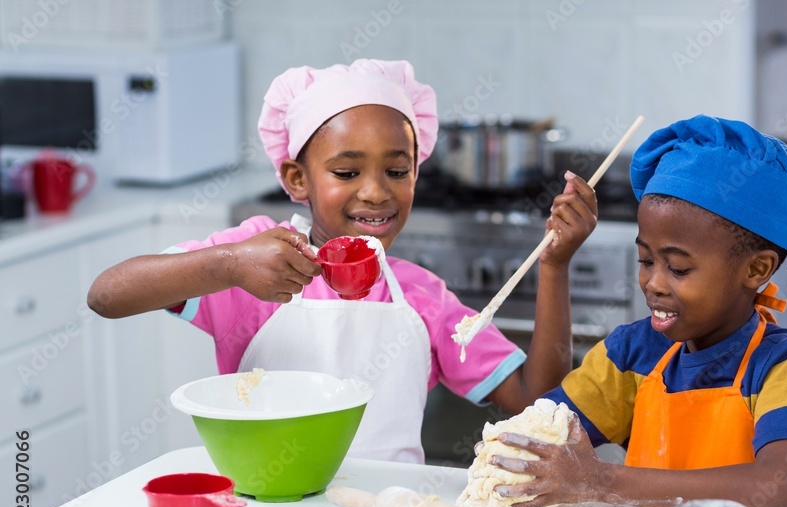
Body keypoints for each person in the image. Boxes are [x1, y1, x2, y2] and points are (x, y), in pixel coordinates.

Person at [87, 59, 597, 463]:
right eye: (347, 172)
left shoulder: (422, 297)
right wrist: (227, 264)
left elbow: (540, 399)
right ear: (296, 179)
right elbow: (108, 295)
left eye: (398, 170)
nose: (376, 192)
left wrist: (554, 268)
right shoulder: (256, 263)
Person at [488, 115, 787, 507]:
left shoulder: (786, 365)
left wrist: (599, 482)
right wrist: (554, 265)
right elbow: (537, 431)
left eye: (679, 269)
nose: (653, 283)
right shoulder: (630, 354)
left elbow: (774, 489)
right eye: (645, 260)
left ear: (756, 271)